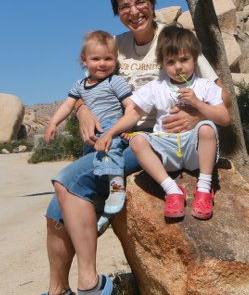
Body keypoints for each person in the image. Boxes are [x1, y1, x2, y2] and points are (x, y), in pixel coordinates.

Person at [43, 0, 228, 295]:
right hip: (112, 135)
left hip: (146, 139)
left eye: (140, 1)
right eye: (124, 5)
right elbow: (85, 89)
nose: (134, 10)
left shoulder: (173, 42)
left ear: (152, 2)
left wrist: (195, 114)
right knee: (55, 213)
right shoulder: (115, 46)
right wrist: (82, 111)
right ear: (117, 12)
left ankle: (91, 284)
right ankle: (57, 290)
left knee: (67, 181)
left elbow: (220, 94)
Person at [94, 26, 230, 220]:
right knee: (137, 140)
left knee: (207, 127)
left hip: (194, 151)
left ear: (194, 58)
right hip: (166, 153)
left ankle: (204, 189)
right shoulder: (157, 87)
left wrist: (198, 104)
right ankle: (172, 190)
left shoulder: (205, 86)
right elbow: (133, 114)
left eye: (184, 60)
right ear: (162, 64)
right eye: (171, 62)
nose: (179, 67)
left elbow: (224, 118)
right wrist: (110, 133)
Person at [43, 31, 133, 225]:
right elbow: (68, 105)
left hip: (111, 126)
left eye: (108, 58)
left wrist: (127, 125)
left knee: (111, 151)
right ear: (84, 60)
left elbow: (130, 105)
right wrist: (53, 122)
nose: (102, 63)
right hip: (90, 133)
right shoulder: (80, 85)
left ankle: (117, 186)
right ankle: (99, 204)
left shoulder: (115, 81)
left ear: (115, 60)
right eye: (96, 58)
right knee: (91, 163)